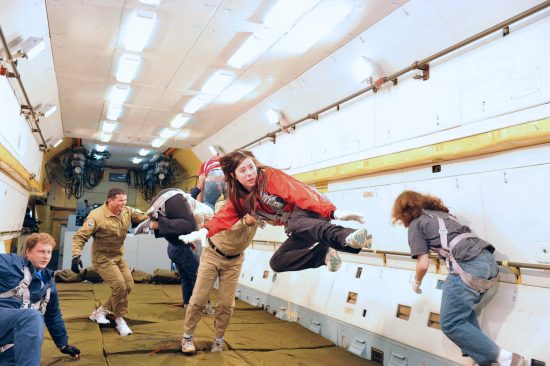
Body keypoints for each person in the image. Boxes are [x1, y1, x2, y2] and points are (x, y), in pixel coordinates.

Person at [180, 150, 372, 273]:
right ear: (233, 176)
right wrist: (204, 230)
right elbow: (223, 218)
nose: (249, 173)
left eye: (251, 168)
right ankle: (325, 254)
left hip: (312, 207)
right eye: (243, 171)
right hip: (303, 227)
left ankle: (347, 236)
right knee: (278, 262)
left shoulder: (269, 177)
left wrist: (332, 212)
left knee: (298, 223)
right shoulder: (239, 199)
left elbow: (300, 194)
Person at [391, 190, 525, 366]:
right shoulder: (443, 215)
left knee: (450, 323)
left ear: (402, 213)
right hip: (489, 263)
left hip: (468, 267)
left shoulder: (416, 224)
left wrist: (416, 283)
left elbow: (423, 263)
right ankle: (487, 362)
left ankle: (508, 359)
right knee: (463, 316)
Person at [71, 187, 148, 336]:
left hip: (118, 256)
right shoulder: (96, 216)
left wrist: (156, 215)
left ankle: (100, 312)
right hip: (102, 258)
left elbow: (143, 217)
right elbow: (80, 237)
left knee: (129, 286)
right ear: (110, 200)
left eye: (125, 201)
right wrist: (76, 255)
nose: (123, 204)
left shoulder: (127, 211)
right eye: (120, 201)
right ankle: (119, 319)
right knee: (119, 286)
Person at [181, 210, 259, 354]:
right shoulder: (231, 204)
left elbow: (277, 219)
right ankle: (187, 337)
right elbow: (223, 224)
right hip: (213, 254)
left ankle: (218, 340)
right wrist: (244, 222)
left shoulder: (262, 208)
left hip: (235, 261)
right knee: (199, 299)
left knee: (226, 304)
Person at [0, 233, 80, 365]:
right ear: (28, 252)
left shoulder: (48, 284)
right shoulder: (12, 264)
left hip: (12, 334)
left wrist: (63, 344)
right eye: (41, 251)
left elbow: (53, 315)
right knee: (32, 317)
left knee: (17, 354)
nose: (46, 256)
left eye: (49, 252)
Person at [134, 188, 214, 310]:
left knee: (187, 277)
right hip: (179, 248)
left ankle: (188, 303)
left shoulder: (191, 206)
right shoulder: (205, 213)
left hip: (174, 246)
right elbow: (193, 228)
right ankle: (204, 305)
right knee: (197, 276)